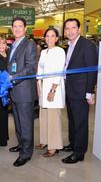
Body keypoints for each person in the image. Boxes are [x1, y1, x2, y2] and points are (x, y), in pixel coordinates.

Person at [61, 18, 98, 164]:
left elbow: (92, 70)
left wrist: (90, 92)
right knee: (72, 120)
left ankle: (79, 152)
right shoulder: (69, 46)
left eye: (73, 28)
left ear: (79, 29)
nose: (70, 31)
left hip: (81, 91)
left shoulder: (87, 45)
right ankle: (73, 144)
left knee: (81, 122)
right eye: (67, 28)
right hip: (70, 90)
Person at [7, 17, 37, 167]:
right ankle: (21, 145)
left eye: (20, 26)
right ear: (12, 29)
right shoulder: (12, 46)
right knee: (18, 123)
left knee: (25, 124)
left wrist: (12, 77)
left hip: (24, 91)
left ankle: (26, 153)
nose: (17, 29)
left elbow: (31, 67)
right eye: (15, 26)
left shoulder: (29, 44)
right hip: (14, 91)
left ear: (25, 29)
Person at [35, 28, 65, 157]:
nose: (49, 38)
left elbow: (59, 72)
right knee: (44, 116)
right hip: (43, 88)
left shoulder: (59, 51)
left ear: (57, 38)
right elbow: (40, 69)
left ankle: (54, 147)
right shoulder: (43, 51)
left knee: (53, 119)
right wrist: (38, 85)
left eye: (52, 36)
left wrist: (53, 90)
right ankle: (45, 141)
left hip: (54, 89)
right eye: (47, 36)